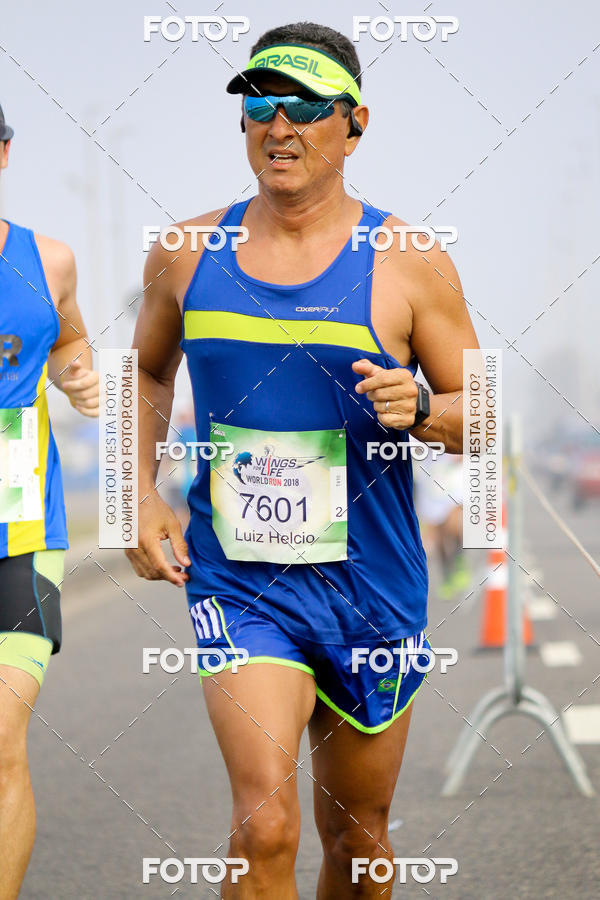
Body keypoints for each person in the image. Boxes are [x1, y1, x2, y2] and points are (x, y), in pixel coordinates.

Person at [126, 22, 478, 897]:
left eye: (306, 106)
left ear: (354, 123)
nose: (278, 125)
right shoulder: (185, 252)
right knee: (265, 827)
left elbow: (488, 411)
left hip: (372, 582)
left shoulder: (411, 261)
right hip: (243, 581)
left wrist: (427, 408)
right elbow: (140, 370)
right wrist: (129, 493)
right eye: (260, 103)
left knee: (357, 847)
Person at [0, 103, 99, 900]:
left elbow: (69, 343)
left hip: (23, 527)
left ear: (3, 154)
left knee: (0, 741)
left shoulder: (49, 259)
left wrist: (80, 378)